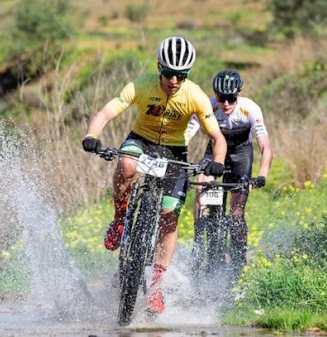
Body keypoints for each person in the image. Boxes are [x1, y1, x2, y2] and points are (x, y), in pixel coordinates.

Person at [81, 36, 227, 314]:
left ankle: (157, 286)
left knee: (170, 217)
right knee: (125, 165)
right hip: (141, 140)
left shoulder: (194, 95)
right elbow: (104, 113)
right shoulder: (141, 86)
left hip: (174, 151)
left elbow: (217, 137)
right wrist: (92, 135)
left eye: (181, 75)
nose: (174, 80)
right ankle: (119, 219)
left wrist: (217, 162)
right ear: (159, 67)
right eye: (169, 73)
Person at [186, 69, 273, 281]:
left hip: (241, 155)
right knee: (201, 186)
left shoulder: (250, 109)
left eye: (231, 98)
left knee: (235, 213)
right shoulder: (208, 106)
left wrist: (261, 175)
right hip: (215, 152)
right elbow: (186, 135)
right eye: (221, 98)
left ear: (239, 95)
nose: (225, 103)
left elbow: (266, 147)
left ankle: (238, 258)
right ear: (215, 96)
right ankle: (200, 241)